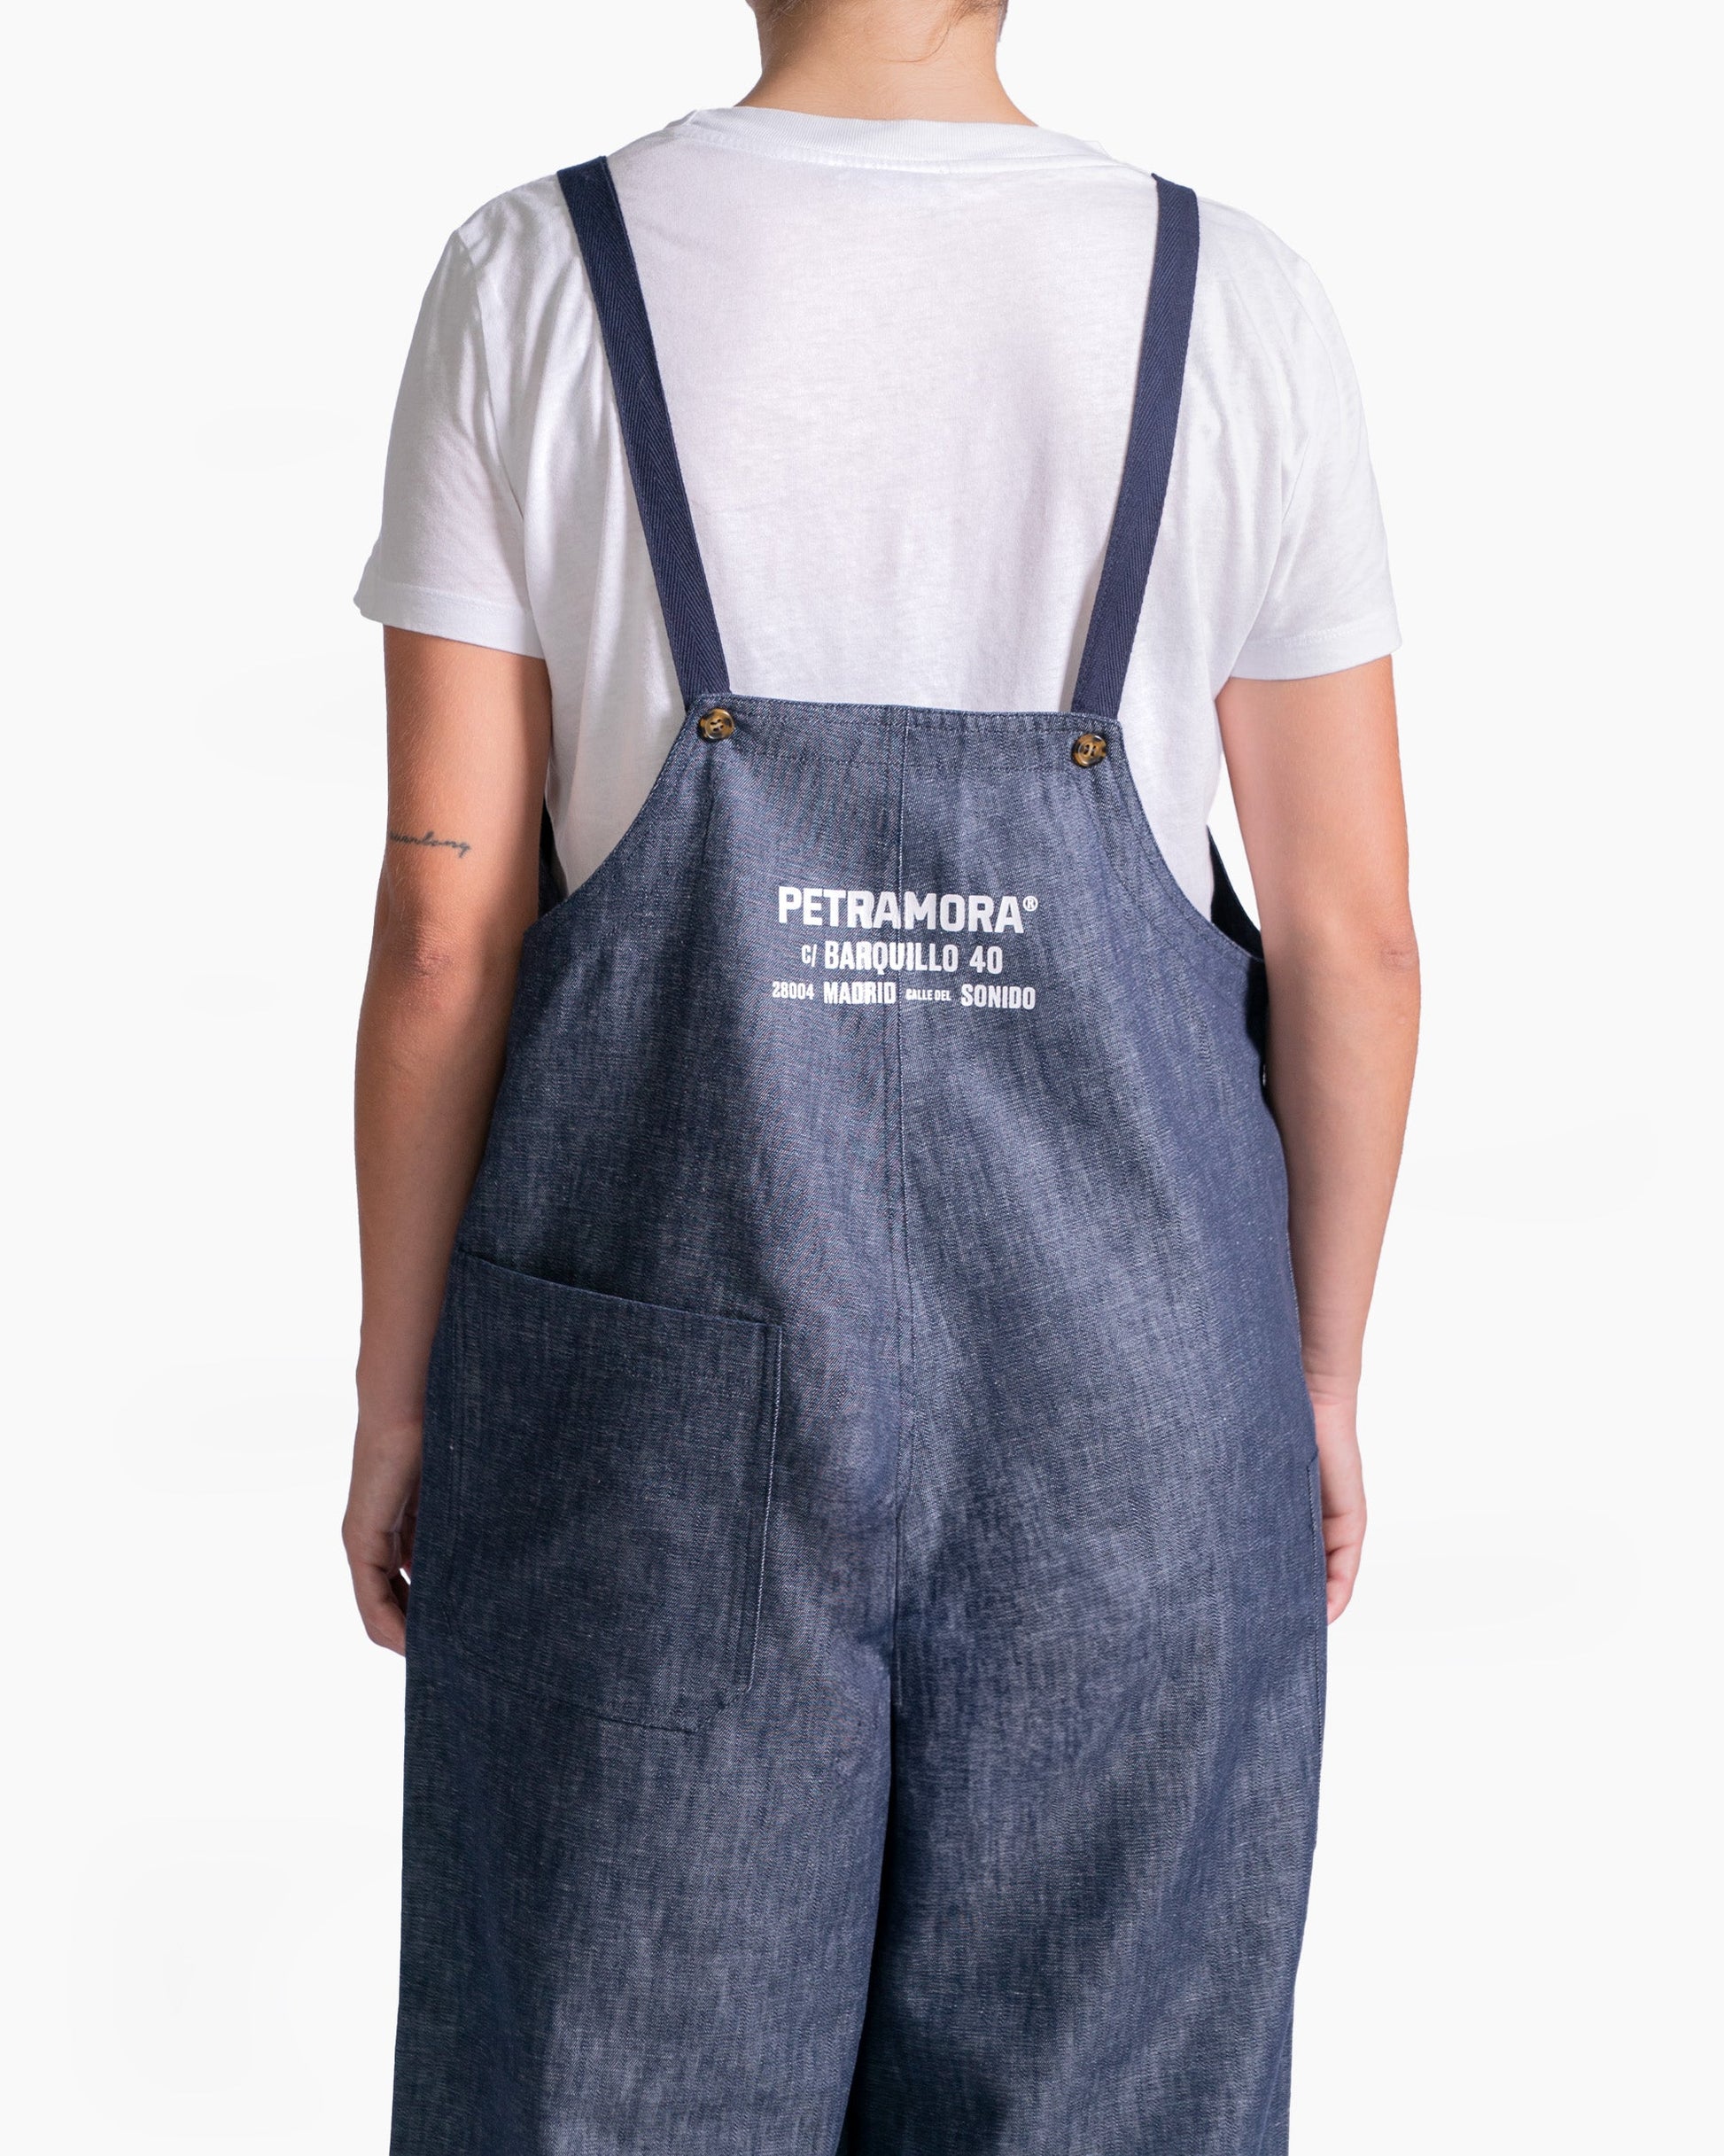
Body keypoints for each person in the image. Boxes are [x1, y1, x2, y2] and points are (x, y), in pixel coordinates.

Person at [343, 0, 1418, 2147]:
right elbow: (1355, 936)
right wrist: (1305, 1373)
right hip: (1140, 1400)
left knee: (603, 2091)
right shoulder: (1233, 299)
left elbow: (444, 931)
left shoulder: (533, 271)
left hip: (656, 1415)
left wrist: (400, 1392)